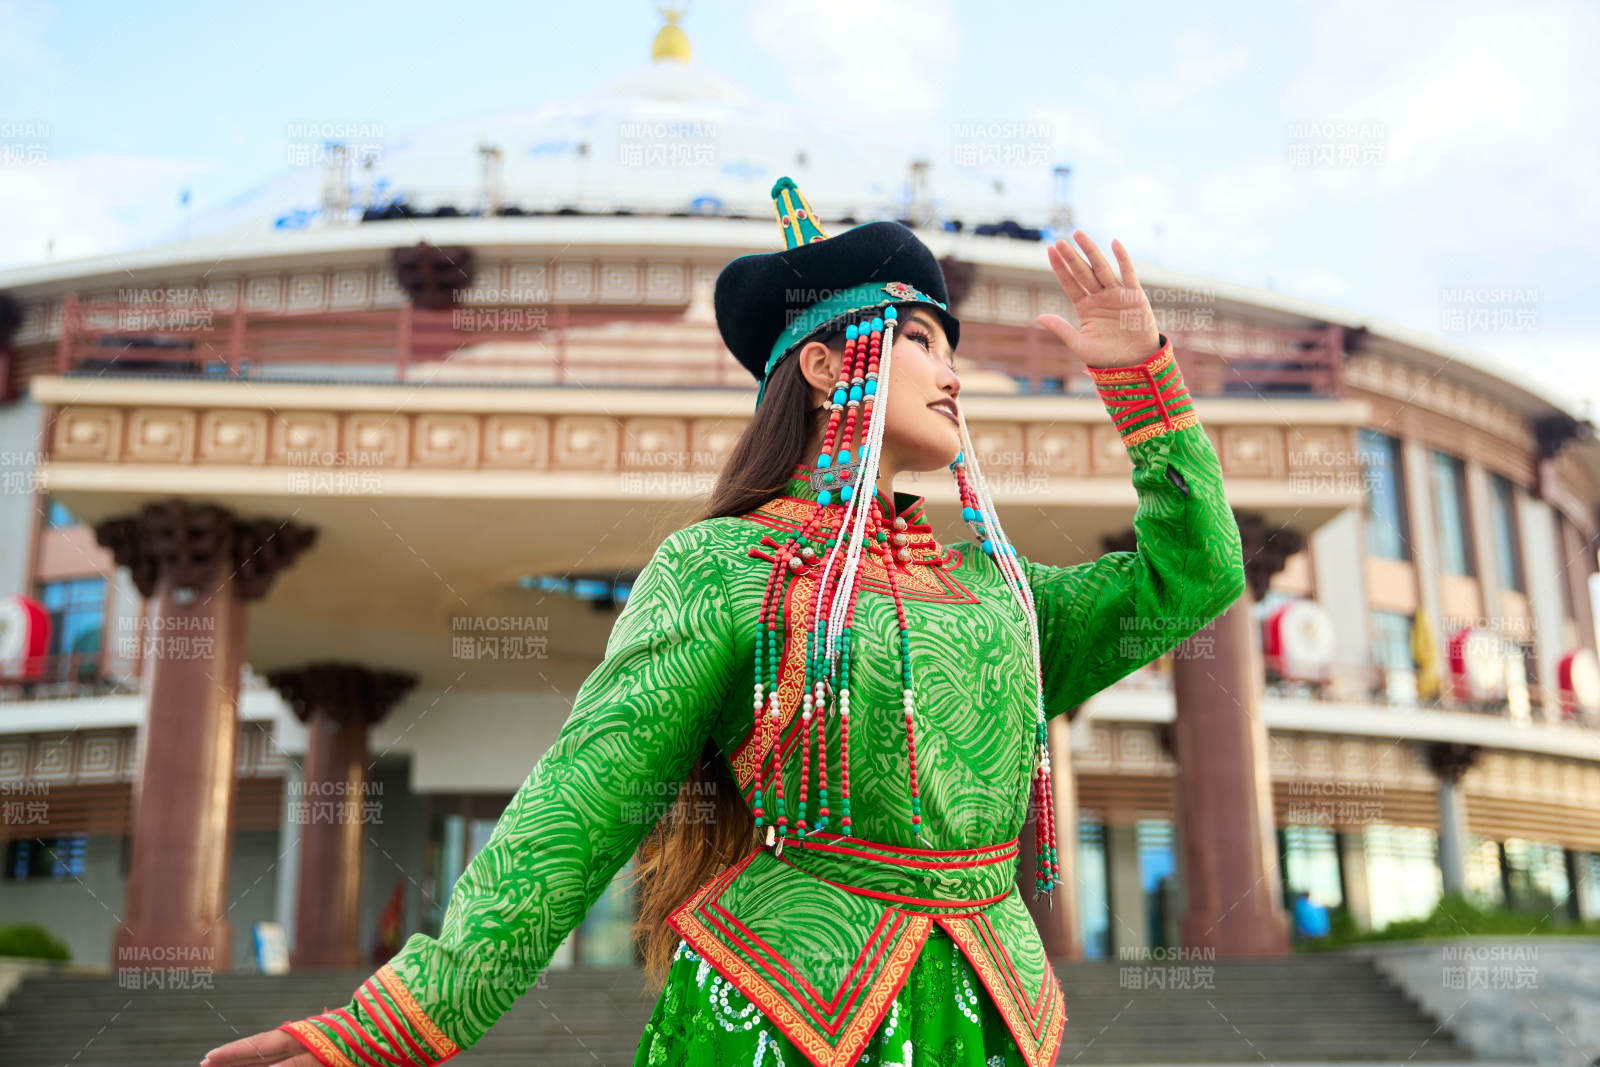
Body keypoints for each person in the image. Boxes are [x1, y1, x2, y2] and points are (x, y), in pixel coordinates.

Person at [200, 176, 1246, 1067]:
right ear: (830, 364)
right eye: (920, 340)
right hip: (777, 1017)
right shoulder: (719, 569)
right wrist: (400, 1020)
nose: (953, 372)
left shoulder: (998, 594)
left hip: (996, 1014)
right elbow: (577, 805)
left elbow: (1194, 574)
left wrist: (1141, 380)